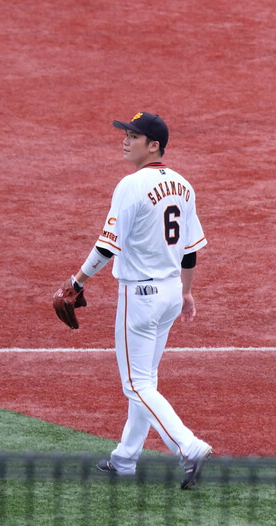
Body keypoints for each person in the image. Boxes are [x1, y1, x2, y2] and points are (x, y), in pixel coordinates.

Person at [57, 111, 212, 490]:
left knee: (136, 384)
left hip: (140, 297)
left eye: (133, 135)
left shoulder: (131, 185)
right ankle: (125, 459)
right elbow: (190, 252)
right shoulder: (183, 185)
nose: (125, 140)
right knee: (146, 379)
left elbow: (108, 245)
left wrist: (75, 282)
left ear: (153, 145)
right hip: (171, 293)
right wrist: (187, 291)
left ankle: (190, 448)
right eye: (125, 133)